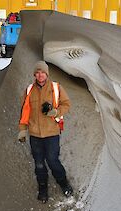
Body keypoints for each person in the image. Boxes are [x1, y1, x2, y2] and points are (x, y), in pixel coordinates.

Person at [18, 61, 73, 203]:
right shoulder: (29, 90)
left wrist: (56, 112)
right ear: (34, 74)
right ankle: (43, 189)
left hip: (51, 133)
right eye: (37, 72)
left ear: (46, 73)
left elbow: (66, 104)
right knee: (39, 164)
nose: (40, 75)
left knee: (53, 161)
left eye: (42, 72)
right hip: (35, 135)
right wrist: (23, 129)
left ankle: (64, 184)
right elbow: (25, 111)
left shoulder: (56, 88)